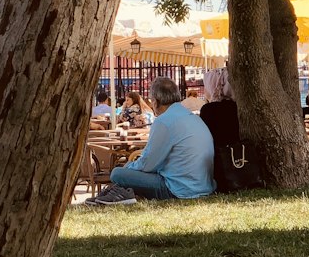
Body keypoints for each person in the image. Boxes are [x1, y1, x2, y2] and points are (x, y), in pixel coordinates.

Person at [86, 76, 214, 206]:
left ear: (156, 101)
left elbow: (148, 164)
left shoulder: (164, 121)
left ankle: (122, 192)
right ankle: (120, 190)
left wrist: (129, 167)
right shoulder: (191, 117)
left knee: (117, 173)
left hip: (178, 189)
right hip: (202, 186)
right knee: (127, 171)